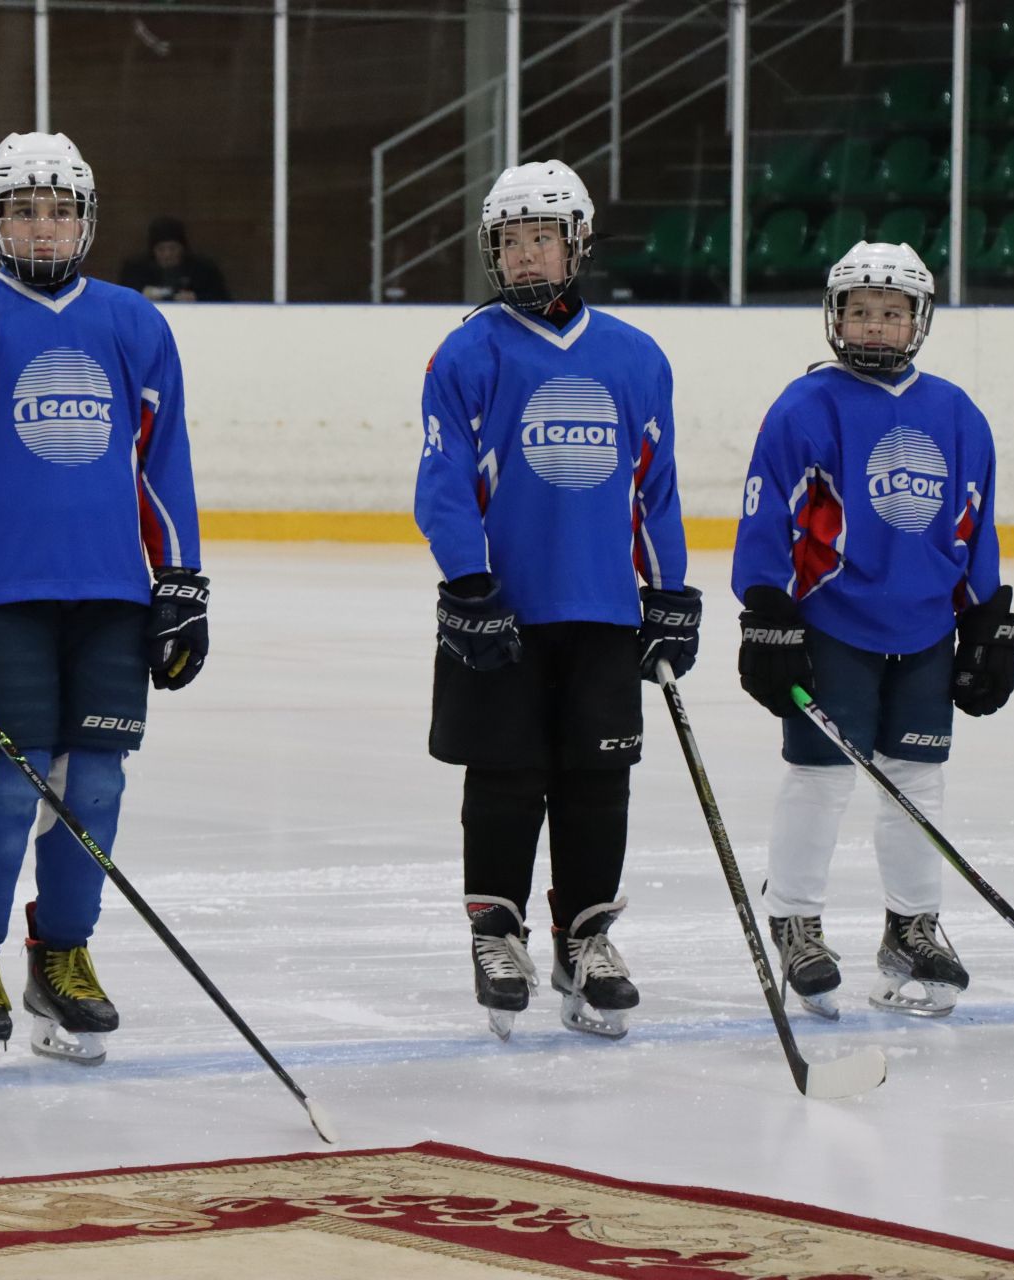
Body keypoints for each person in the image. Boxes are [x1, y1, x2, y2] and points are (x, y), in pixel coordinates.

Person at [0, 131, 206, 1073]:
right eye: (24, 210)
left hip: (112, 597)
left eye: (60, 209)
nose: (44, 227)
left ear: (86, 219)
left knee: (93, 785)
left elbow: (163, 463)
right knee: (7, 785)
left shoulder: (134, 323)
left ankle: (61, 953)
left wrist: (179, 580)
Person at [415, 159, 699, 1042]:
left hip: (605, 611)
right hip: (503, 611)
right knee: (503, 778)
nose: (526, 256)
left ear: (576, 244)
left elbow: (655, 488)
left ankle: (587, 939)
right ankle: (497, 933)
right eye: (510, 241)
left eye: (542, 238)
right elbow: (445, 481)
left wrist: (671, 591)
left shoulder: (635, 356)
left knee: (597, 782)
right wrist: (467, 580)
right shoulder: (469, 350)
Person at [732, 241, 1014, 1021]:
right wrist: (766, 612)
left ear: (919, 321)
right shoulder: (806, 406)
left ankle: (912, 927)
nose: (877, 327)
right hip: (834, 624)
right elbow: (767, 514)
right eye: (862, 311)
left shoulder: (957, 412)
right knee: (822, 777)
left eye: (893, 314)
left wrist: (987, 622)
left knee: (917, 779)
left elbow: (975, 523)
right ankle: (795, 918)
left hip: (926, 626)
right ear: (836, 316)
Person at [117, 215, 229, 301]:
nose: (167, 254)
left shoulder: (204, 270)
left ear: (183, 249)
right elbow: (120, 301)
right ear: (153, 251)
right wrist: (140, 297)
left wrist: (197, 299)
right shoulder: (135, 270)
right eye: (161, 249)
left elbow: (223, 301)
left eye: (173, 248)